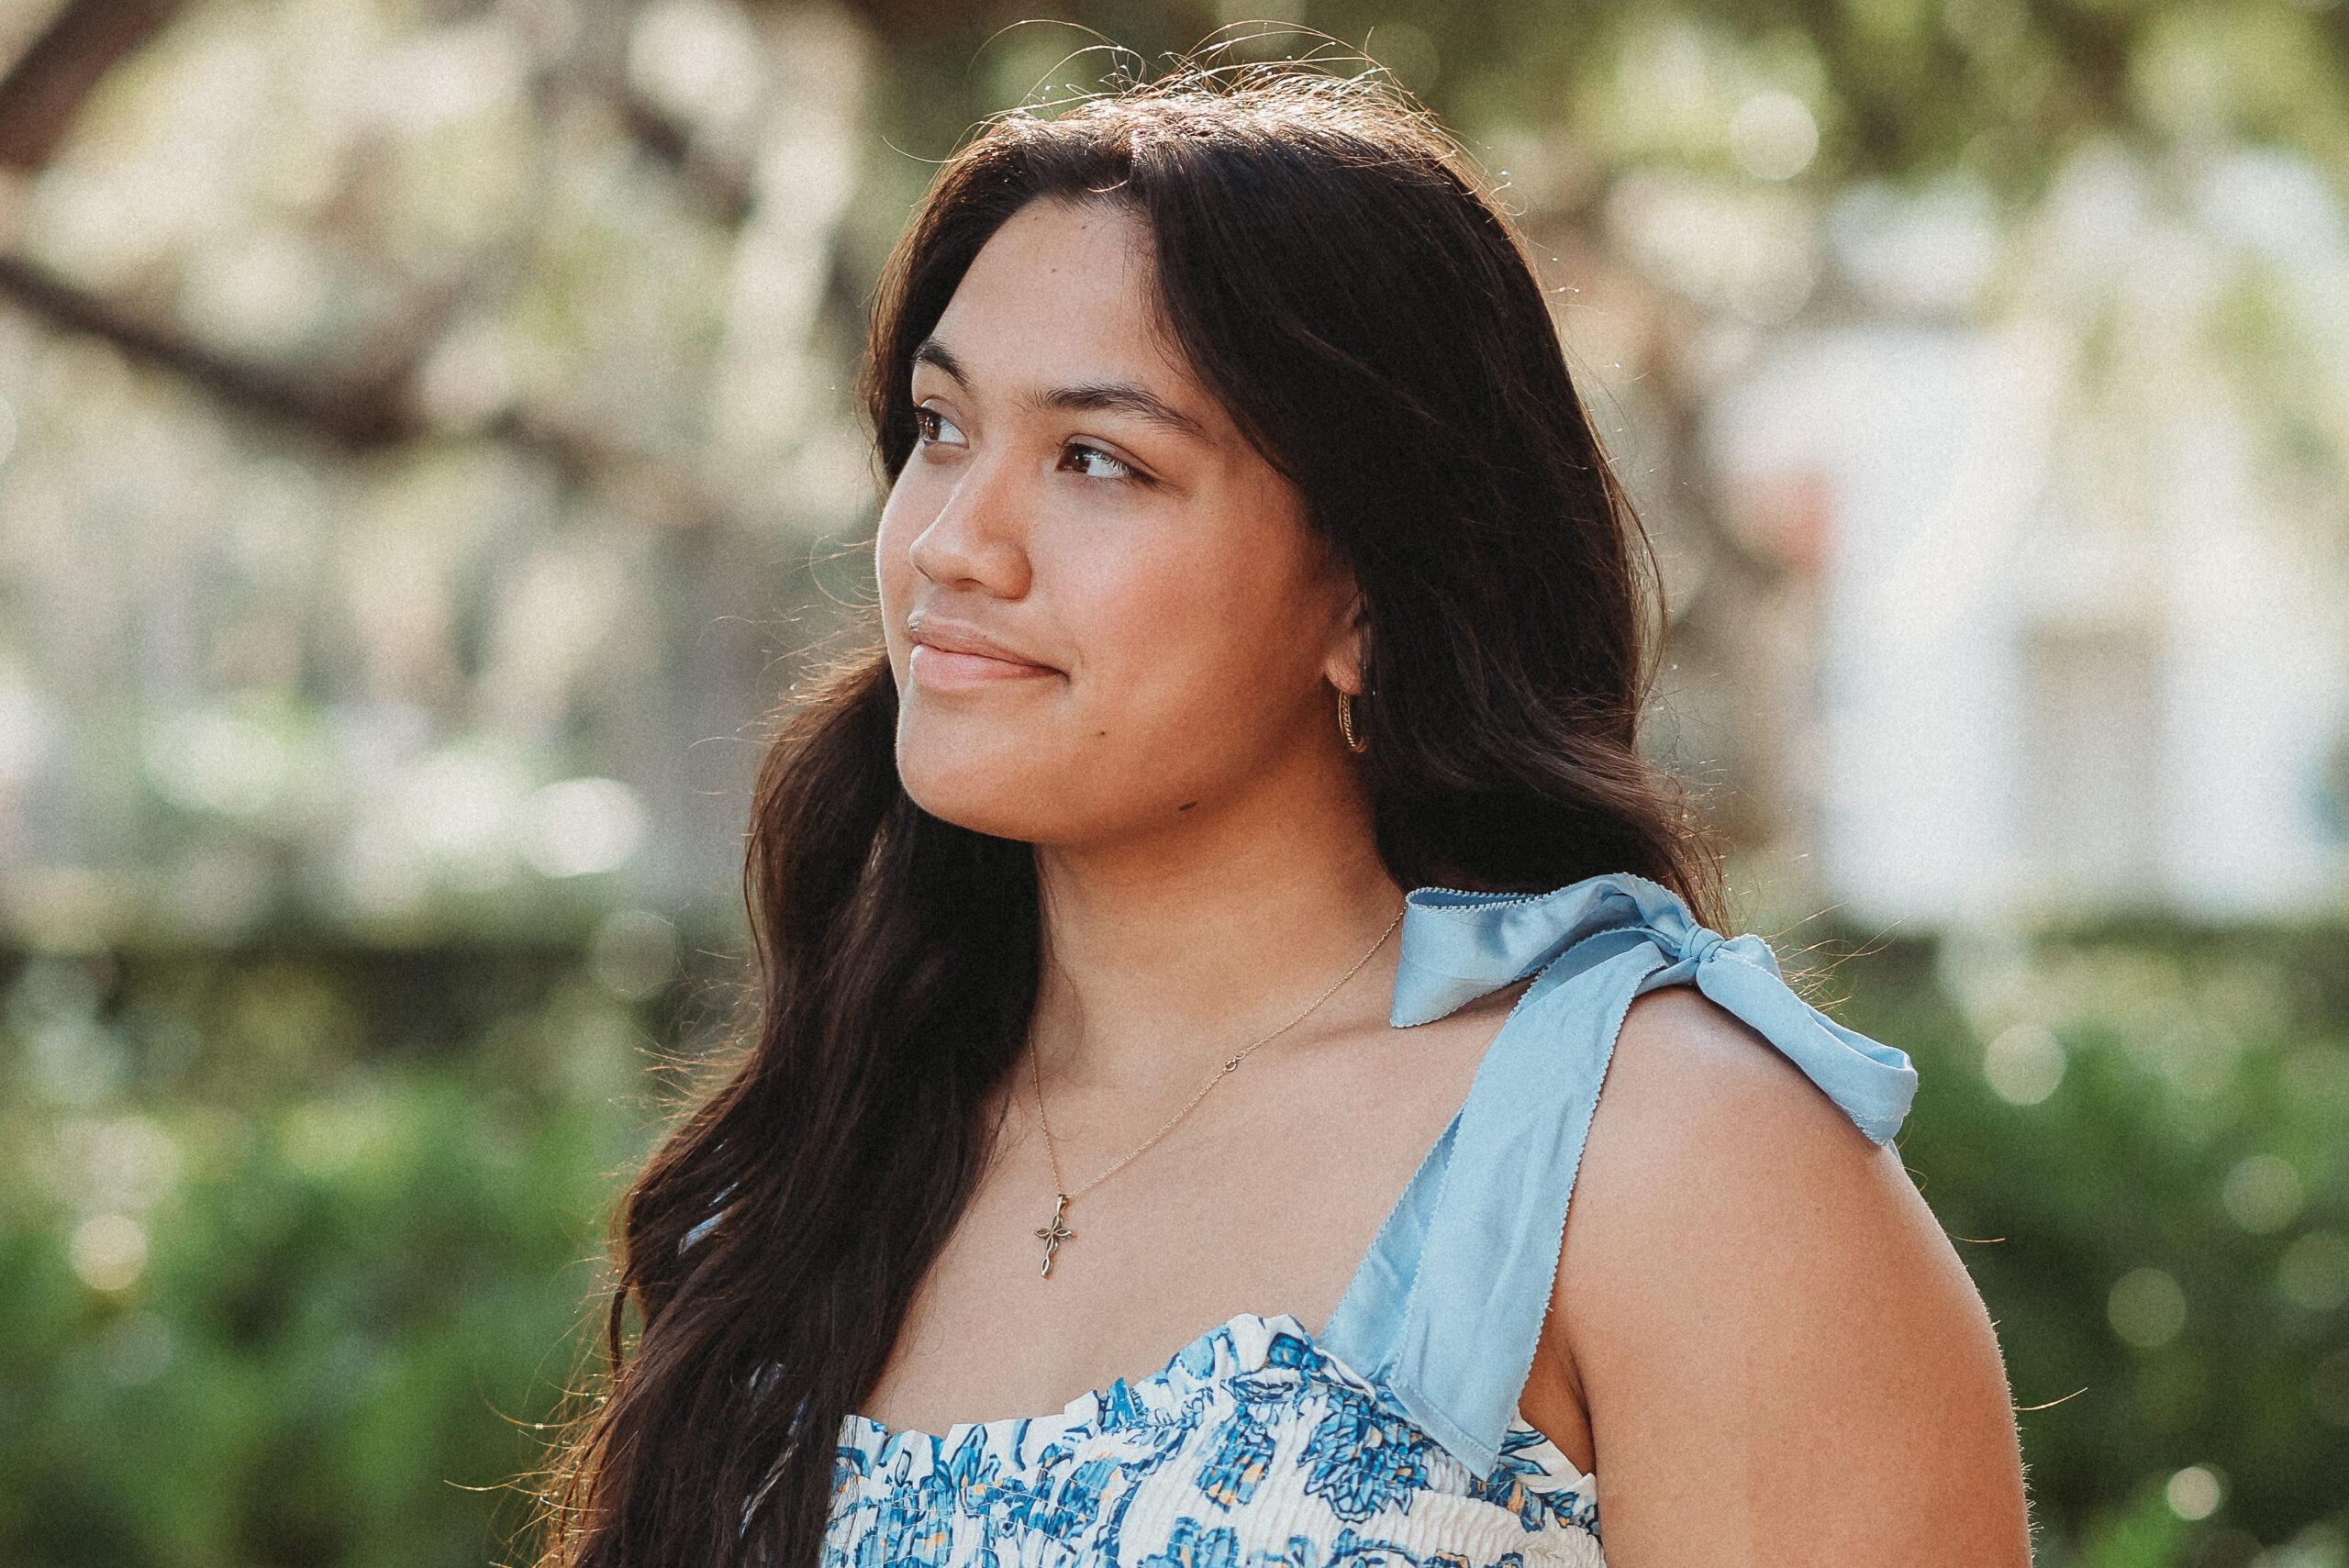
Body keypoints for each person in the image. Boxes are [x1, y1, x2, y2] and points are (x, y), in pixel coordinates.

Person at [540, 65, 2032, 1568]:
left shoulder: (1672, 1155)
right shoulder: (835, 1149)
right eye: (940, 427)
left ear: (1369, 597)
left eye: (1097, 460)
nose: (950, 544)